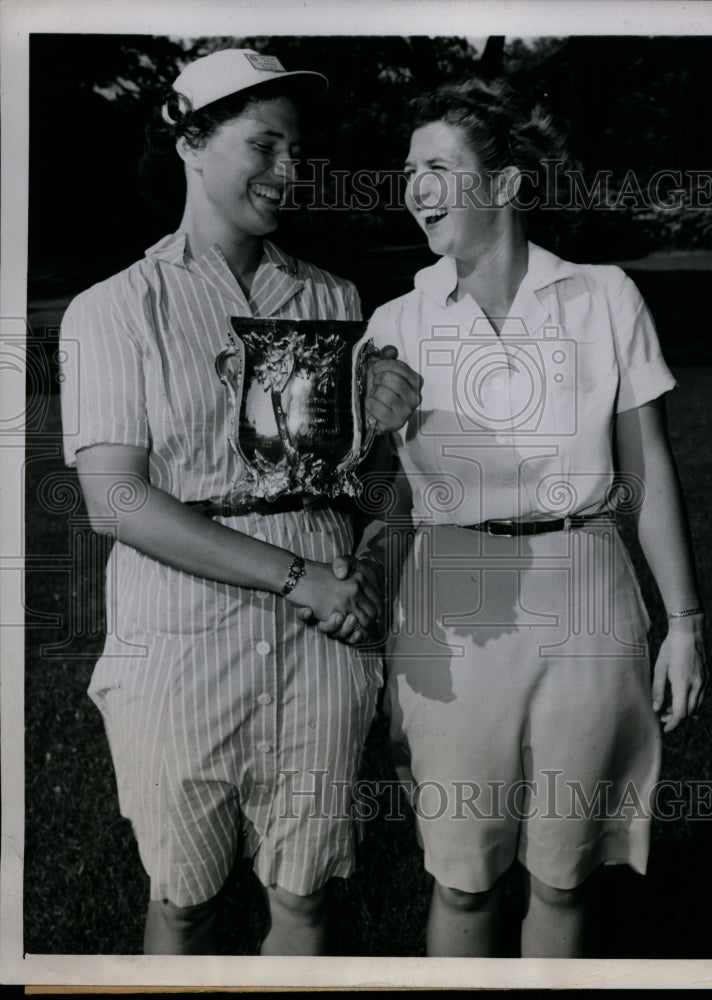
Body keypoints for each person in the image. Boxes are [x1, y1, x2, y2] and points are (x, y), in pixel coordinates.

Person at [59, 48, 421, 956]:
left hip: (323, 639)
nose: (289, 170)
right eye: (264, 145)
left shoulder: (331, 297)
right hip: (180, 637)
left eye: (297, 151)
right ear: (190, 141)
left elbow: (375, 486)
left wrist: (384, 435)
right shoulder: (115, 308)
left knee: (302, 898)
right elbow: (115, 499)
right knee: (184, 902)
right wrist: (298, 575)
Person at [356, 77, 711, 957]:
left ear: (506, 184)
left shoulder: (602, 297)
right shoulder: (394, 322)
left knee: (562, 874)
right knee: (463, 879)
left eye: (437, 166)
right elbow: (363, 493)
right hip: (453, 602)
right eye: (408, 170)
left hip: (589, 597)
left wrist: (685, 622)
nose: (414, 187)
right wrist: (362, 417)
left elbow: (649, 469)